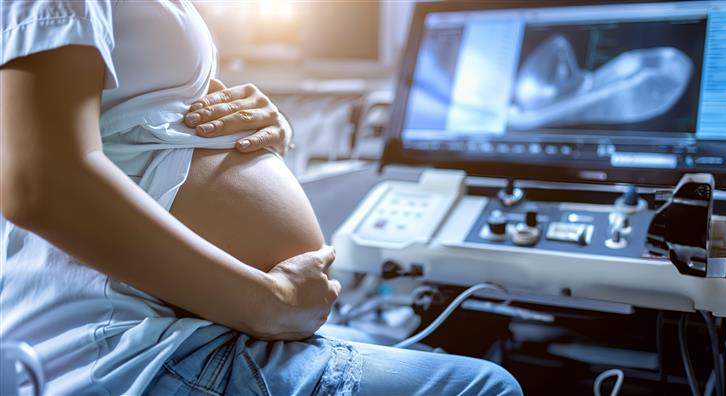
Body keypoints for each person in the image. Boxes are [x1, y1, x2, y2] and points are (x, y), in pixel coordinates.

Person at [0, 1, 523, 395]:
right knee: (487, 386)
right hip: (140, 346)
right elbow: (41, 182)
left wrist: (251, 120)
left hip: (183, 327)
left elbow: (130, 117)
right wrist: (269, 304)